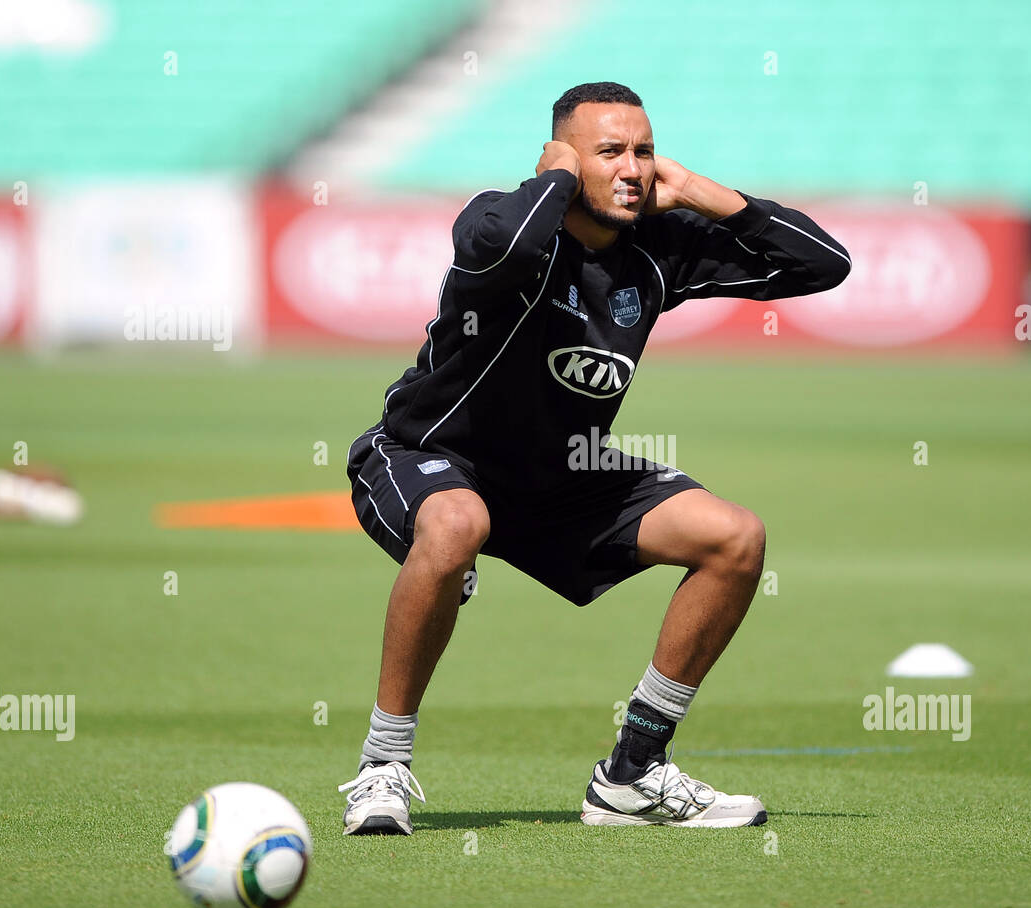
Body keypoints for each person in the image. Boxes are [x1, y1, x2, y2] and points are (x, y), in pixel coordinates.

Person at [340, 81, 850, 832]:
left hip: (562, 474)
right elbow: (509, 245)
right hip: (429, 455)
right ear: (562, 159)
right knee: (455, 527)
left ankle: (633, 774)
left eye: (644, 151)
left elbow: (825, 265)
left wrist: (709, 195)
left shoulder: (658, 252)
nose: (634, 168)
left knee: (734, 538)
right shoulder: (496, 220)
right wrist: (550, 180)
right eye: (610, 152)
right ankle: (383, 768)